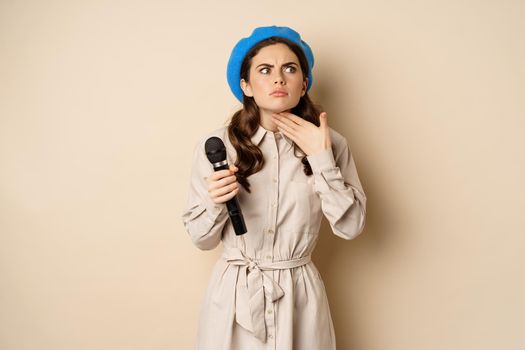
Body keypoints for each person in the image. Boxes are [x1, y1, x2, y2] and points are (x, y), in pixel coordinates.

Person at [181, 25, 367, 350]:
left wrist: (321, 157)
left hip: (299, 297)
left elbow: (351, 227)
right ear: (246, 85)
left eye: (290, 69)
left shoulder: (331, 144)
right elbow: (201, 238)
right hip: (234, 297)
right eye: (265, 70)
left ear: (304, 83)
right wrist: (216, 200)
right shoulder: (218, 146)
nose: (278, 79)